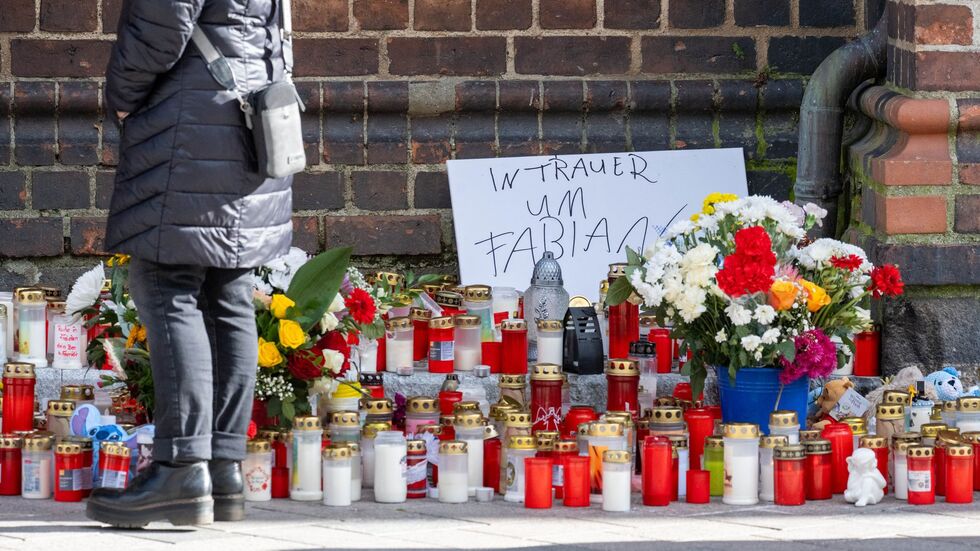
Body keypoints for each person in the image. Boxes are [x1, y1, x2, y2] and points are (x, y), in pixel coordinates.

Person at [87, 0, 294, 528]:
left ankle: (181, 468)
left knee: (166, 282)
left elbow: (162, 18)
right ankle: (221, 470)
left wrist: (123, 95)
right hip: (250, 106)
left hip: (193, 117)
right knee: (228, 290)